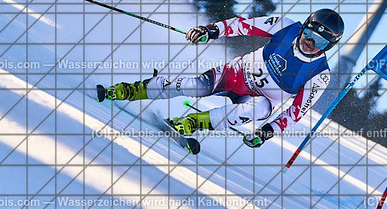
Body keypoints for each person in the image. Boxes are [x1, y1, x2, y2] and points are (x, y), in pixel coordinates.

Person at [97, 9, 344, 148]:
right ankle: (131, 90)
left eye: (320, 42)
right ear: (304, 27)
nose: (310, 42)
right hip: (237, 73)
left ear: (329, 46)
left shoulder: (319, 74)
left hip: (261, 100)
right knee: (194, 87)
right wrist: (211, 31)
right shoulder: (286, 26)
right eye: (309, 34)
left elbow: (296, 111)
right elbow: (242, 25)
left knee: (258, 108)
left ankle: (190, 123)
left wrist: (267, 131)